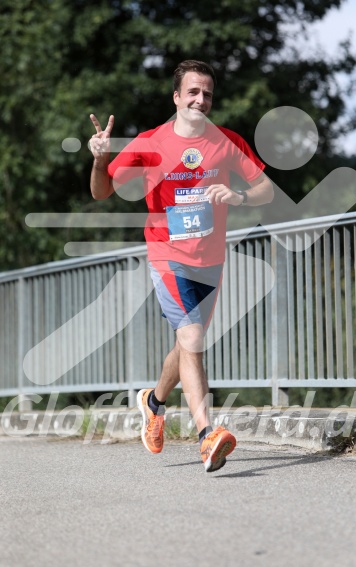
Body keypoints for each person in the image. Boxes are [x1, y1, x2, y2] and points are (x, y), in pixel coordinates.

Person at [89, 60, 273, 472]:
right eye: (192, 92)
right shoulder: (150, 142)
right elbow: (101, 193)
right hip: (166, 254)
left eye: (207, 93)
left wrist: (237, 196)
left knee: (185, 343)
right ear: (176, 97)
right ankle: (208, 434)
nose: (200, 100)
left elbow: (264, 189)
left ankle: (153, 402)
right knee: (192, 338)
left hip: (211, 260)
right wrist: (101, 159)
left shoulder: (227, 142)